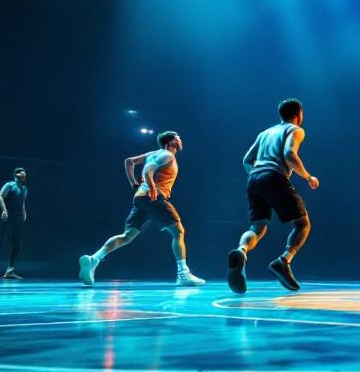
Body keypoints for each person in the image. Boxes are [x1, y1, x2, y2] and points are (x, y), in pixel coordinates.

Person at [78, 131, 206, 287]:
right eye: (178, 138)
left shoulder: (153, 153)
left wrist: (134, 184)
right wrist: (152, 186)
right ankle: (183, 274)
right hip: (154, 197)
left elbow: (129, 161)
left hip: (140, 198)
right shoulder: (167, 154)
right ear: (170, 142)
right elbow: (148, 169)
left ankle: (94, 259)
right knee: (178, 231)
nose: (181, 140)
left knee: (127, 236)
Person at [227, 98, 319, 294]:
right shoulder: (295, 130)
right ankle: (283, 261)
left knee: (258, 226)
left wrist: (258, 175)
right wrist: (308, 176)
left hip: (254, 178)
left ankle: (241, 251)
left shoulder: (265, 133)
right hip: (274, 176)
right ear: (299, 114)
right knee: (303, 224)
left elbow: (246, 160)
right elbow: (290, 155)